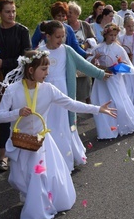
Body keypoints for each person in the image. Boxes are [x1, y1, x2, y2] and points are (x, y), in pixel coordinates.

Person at [0, 50, 116, 219]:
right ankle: (34, 200)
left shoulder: (49, 89)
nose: (47, 73)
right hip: (21, 143)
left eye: (47, 69)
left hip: (40, 143)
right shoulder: (13, 91)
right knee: (20, 179)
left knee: (39, 177)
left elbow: (71, 104)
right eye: (43, 69)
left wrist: (97, 109)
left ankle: (38, 210)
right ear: (30, 70)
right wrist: (17, 113)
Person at [39, 21, 110, 170]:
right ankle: (49, 159)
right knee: (48, 124)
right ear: (48, 36)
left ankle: (66, 159)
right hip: (45, 93)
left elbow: (84, 65)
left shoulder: (67, 50)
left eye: (63, 36)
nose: (61, 40)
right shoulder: (40, 51)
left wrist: (100, 74)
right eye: (57, 36)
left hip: (63, 91)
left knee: (63, 123)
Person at [0, 0, 31, 172]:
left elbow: (27, 58)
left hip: (17, 80)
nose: (11, 14)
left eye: (13, 11)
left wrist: (4, 62)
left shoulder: (22, 31)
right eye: (7, 11)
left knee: (19, 116)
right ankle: (2, 156)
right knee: (2, 116)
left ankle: (24, 151)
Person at [90, 24, 134, 139]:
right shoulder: (98, 48)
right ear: (105, 35)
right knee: (103, 100)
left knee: (119, 102)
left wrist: (119, 64)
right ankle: (107, 130)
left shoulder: (119, 48)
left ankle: (126, 125)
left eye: (115, 35)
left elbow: (127, 63)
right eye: (111, 35)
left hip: (114, 78)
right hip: (102, 79)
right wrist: (95, 59)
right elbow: (90, 62)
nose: (113, 37)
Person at [66, 1, 97, 102]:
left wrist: (85, 46)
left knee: (84, 83)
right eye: (67, 12)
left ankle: (88, 105)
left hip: (82, 58)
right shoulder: (64, 26)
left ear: (77, 14)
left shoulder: (84, 25)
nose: (68, 14)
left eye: (71, 12)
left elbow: (93, 39)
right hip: (69, 58)